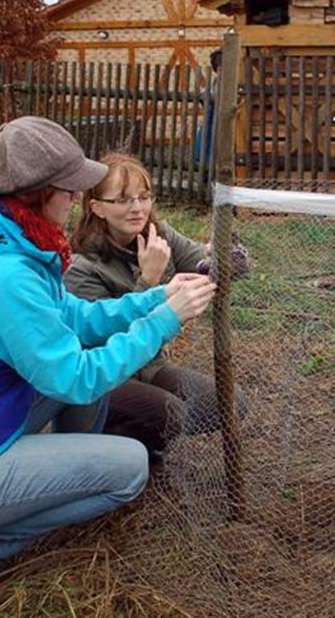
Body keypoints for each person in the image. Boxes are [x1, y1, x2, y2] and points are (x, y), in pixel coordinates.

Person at [0, 117, 216, 588]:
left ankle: (52, 479)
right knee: (129, 469)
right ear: (37, 193)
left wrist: (156, 298)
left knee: (91, 396)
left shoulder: (16, 245)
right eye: (69, 187)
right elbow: (75, 378)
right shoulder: (4, 275)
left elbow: (77, 319)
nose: (77, 196)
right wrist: (164, 320)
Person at [66, 151, 247, 460]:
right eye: (123, 199)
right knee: (169, 412)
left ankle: (146, 436)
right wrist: (148, 279)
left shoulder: (158, 235)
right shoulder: (81, 265)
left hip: (149, 366)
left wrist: (223, 255)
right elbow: (103, 336)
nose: (137, 208)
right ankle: (102, 449)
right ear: (97, 207)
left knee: (229, 403)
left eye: (144, 196)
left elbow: (214, 266)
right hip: (104, 378)